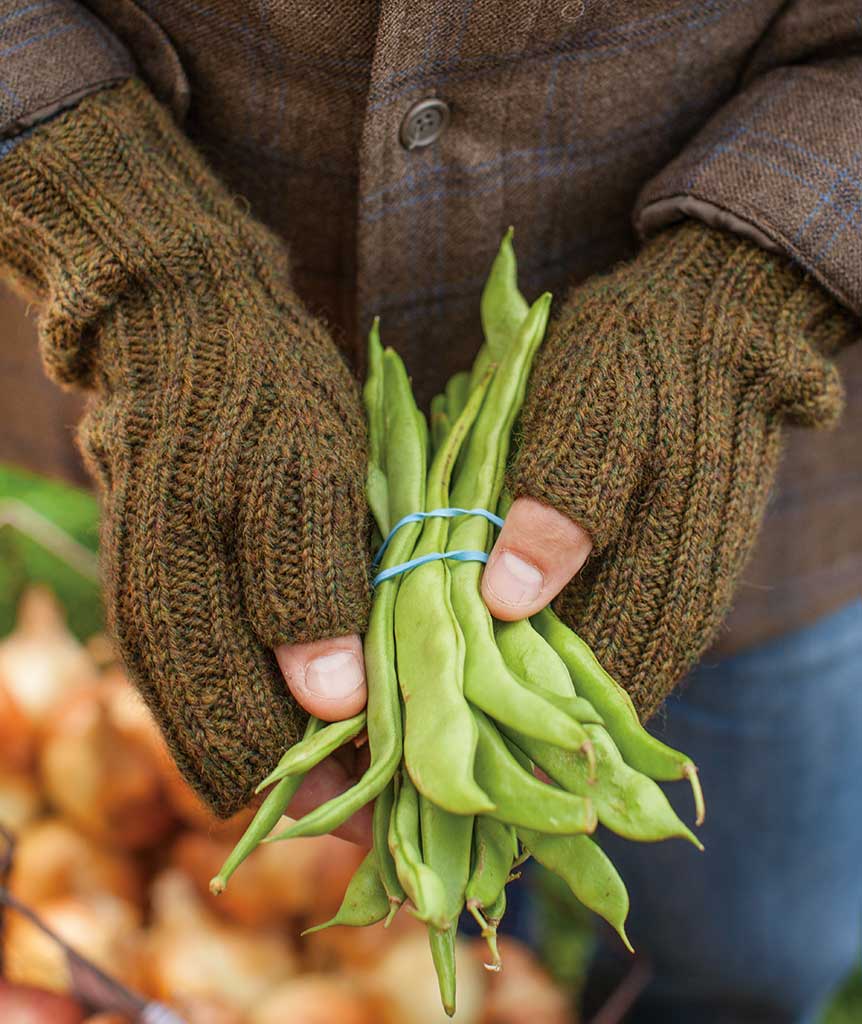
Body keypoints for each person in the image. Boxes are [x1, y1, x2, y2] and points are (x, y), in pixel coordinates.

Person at [0, 3, 859, 1020]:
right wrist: (131, 248)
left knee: (757, 943)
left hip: (745, 484)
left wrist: (752, 283)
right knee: (434, 889)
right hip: (212, 425)